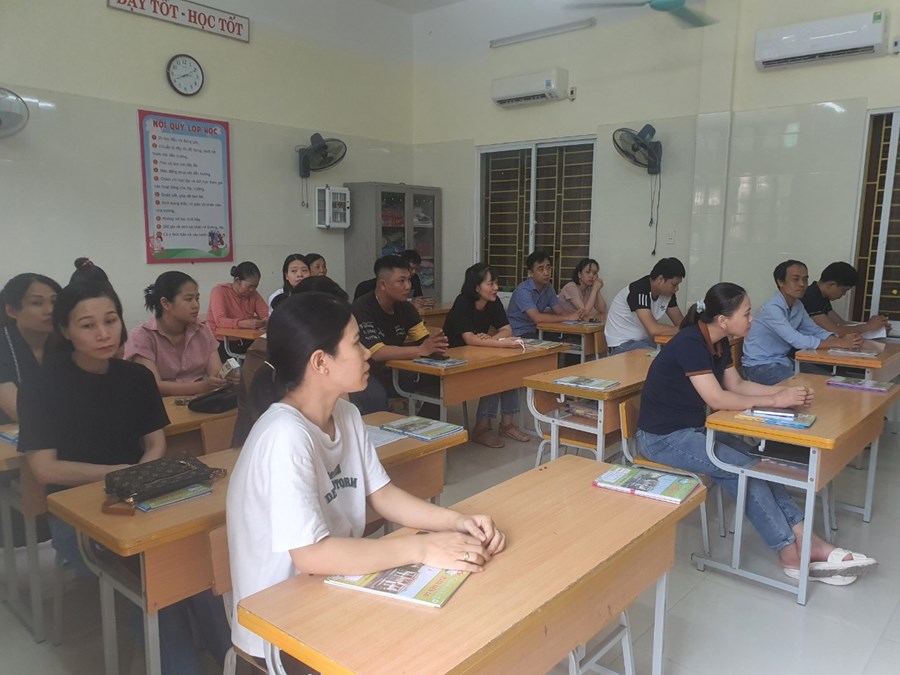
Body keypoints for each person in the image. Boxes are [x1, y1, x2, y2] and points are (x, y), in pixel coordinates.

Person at [227, 292, 506, 671]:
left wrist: (456, 521)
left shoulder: (345, 414)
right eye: (356, 343)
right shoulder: (285, 435)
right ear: (320, 362)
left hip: (331, 593)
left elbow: (382, 494)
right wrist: (421, 548)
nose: (367, 354)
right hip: (282, 628)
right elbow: (311, 555)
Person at [17, 281, 231, 672]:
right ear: (65, 330)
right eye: (87, 325)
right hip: (79, 516)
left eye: (110, 320)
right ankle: (183, 664)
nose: (103, 333)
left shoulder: (135, 378)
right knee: (158, 575)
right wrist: (119, 475)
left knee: (196, 561)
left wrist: (140, 477)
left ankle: (233, 659)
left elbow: (155, 443)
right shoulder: (41, 386)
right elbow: (45, 468)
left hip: (145, 497)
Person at [637, 282, 877, 585]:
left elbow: (737, 385)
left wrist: (781, 394)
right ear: (723, 320)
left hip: (694, 429)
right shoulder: (690, 342)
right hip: (661, 439)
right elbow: (717, 399)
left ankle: (806, 538)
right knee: (740, 469)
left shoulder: (719, 342)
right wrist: (775, 401)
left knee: (759, 462)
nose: (752, 319)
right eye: (747, 313)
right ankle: (789, 551)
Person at [233, 276, 349, 446]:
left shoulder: (319, 351)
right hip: (266, 444)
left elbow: (339, 413)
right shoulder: (262, 352)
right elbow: (279, 418)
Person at [443, 263, 530, 447]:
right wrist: (498, 343)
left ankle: (507, 424)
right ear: (477, 287)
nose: (496, 288)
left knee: (509, 369)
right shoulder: (463, 302)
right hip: (453, 358)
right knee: (493, 374)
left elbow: (507, 330)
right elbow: (469, 339)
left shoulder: (493, 301)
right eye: (491, 284)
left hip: (477, 353)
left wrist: (493, 340)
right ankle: (481, 429)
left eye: (496, 283)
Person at [350, 255, 448, 414]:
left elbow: (422, 337)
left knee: (438, 380)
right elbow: (377, 353)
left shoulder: (405, 308)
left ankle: (425, 424)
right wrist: (420, 350)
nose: (408, 286)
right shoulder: (362, 308)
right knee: (376, 396)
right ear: (383, 284)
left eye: (409, 280)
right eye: (401, 281)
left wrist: (436, 345)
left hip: (395, 369)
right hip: (366, 370)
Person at [742, 260, 863, 385]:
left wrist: (842, 341)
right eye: (796, 279)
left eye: (805, 279)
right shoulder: (771, 308)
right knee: (810, 387)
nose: (802, 284)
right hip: (760, 366)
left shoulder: (797, 305)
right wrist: (840, 343)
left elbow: (814, 330)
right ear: (780, 282)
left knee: (829, 381)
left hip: (784, 361)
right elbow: (797, 340)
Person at [125, 271, 225, 396]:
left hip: (199, 402)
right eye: (188, 299)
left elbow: (216, 373)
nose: (196, 305)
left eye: (197, 298)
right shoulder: (142, 336)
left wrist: (224, 377)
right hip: (159, 404)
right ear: (165, 303)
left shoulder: (202, 331)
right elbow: (154, 385)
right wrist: (203, 387)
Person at [1, 273, 62, 424]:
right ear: (11, 311)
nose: (50, 310)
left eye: (54, 302)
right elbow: (19, 411)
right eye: (37, 303)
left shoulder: (66, 342)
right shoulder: (4, 344)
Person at [604, 257, 685, 354]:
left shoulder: (667, 294)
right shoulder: (638, 290)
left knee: (679, 350)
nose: (677, 289)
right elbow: (653, 329)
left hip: (644, 341)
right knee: (662, 358)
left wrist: (687, 328)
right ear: (660, 279)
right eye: (674, 284)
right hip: (622, 344)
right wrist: (682, 329)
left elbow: (681, 323)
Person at [802, 261, 891, 337]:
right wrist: (869, 326)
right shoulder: (810, 296)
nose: (844, 294)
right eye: (844, 290)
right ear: (831, 284)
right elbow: (834, 330)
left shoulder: (821, 295)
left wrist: (877, 329)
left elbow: (841, 323)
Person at [506, 250, 581, 338]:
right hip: (518, 332)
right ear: (530, 273)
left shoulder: (548, 287)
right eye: (541, 269)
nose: (546, 273)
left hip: (537, 329)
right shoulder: (523, 290)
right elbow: (537, 318)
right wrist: (567, 318)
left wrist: (576, 315)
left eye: (548, 268)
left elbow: (559, 311)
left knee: (566, 337)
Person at [206, 261, 268, 361]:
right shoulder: (219, 291)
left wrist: (265, 322)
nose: (252, 290)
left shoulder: (253, 294)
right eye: (249, 286)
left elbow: (267, 314)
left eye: (255, 286)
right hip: (221, 342)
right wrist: (243, 323)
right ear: (237, 280)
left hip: (245, 339)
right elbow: (220, 321)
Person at [557, 258, 607, 322]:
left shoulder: (588, 289)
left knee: (602, 317)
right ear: (579, 274)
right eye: (588, 272)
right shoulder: (570, 287)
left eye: (594, 273)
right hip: (563, 324)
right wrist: (594, 290)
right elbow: (584, 313)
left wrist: (597, 290)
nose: (591, 276)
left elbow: (602, 310)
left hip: (577, 323)